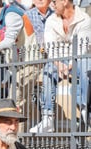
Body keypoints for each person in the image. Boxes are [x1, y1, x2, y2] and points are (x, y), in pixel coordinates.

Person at [30, 0, 91, 133]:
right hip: (57, 60)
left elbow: (82, 48)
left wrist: (69, 66)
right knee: (47, 73)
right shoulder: (51, 20)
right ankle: (47, 118)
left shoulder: (85, 19)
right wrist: (59, 65)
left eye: (55, 1)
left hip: (78, 59)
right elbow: (50, 47)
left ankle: (85, 110)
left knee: (86, 66)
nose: (52, 4)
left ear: (64, 2)